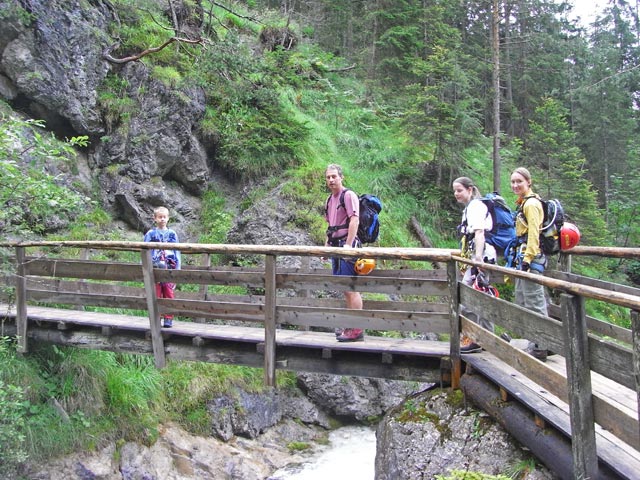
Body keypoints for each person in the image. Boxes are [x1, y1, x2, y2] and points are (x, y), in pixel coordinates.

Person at [453, 177, 497, 353]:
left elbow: (479, 233)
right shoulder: (470, 208)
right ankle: (487, 339)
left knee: (468, 298)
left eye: (459, 190)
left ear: (470, 190)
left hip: (480, 258)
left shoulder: (476, 207)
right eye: (455, 191)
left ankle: (472, 338)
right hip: (480, 257)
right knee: (482, 297)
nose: (456, 194)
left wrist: (477, 260)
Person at [509, 167, 548, 362]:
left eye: (519, 182)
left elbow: (534, 233)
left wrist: (527, 259)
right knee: (523, 299)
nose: (515, 185)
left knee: (534, 301)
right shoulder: (524, 202)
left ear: (528, 182)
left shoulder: (531, 204)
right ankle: (533, 341)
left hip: (530, 259)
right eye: (513, 182)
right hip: (523, 257)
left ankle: (540, 346)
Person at [324, 164, 364, 342]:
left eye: (334, 176)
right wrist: (326, 248)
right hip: (335, 246)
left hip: (347, 246)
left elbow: (354, 220)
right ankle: (350, 326)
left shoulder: (348, 195)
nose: (331, 180)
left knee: (351, 288)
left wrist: (348, 245)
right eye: (328, 177)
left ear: (341, 177)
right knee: (344, 288)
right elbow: (331, 226)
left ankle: (356, 328)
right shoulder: (329, 200)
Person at [143, 206, 181, 328]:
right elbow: (144, 250)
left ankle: (168, 318)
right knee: (157, 293)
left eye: (164, 217)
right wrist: (144, 266)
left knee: (169, 292)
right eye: (160, 217)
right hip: (155, 266)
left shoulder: (172, 234)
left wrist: (178, 268)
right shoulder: (150, 234)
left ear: (168, 218)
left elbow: (177, 251)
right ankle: (157, 317)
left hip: (169, 266)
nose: (162, 219)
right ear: (155, 218)